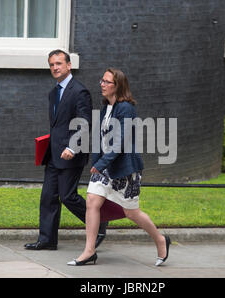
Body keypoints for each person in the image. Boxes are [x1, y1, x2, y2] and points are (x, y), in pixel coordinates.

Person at [67, 68, 171, 266]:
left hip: (123, 169)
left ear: (118, 86)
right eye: (102, 81)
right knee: (92, 201)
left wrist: (101, 163)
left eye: (107, 82)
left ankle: (160, 239)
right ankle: (89, 251)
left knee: (131, 212)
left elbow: (120, 142)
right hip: (105, 168)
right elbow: (101, 139)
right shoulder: (106, 106)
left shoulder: (126, 109)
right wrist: (97, 162)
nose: (102, 84)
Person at [25, 50, 107, 251]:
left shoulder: (79, 91)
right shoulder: (53, 93)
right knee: (48, 197)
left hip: (72, 154)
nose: (55, 67)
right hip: (53, 154)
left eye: (59, 63)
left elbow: (85, 123)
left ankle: (101, 223)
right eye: (51, 64)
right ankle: (47, 240)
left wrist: (72, 146)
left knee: (68, 196)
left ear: (69, 65)